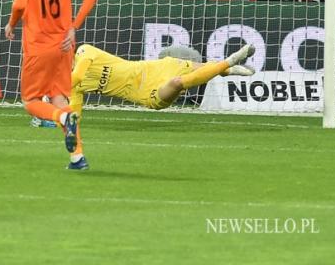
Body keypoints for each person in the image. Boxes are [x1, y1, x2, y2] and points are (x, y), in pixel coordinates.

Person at [69, 43, 256, 170]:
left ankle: (227, 70)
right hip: (145, 93)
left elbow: (77, 75)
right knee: (176, 83)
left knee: (197, 66)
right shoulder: (74, 89)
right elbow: (74, 120)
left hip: (150, 68)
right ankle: (230, 61)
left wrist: (57, 85)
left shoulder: (84, 52)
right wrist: (77, 154)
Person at [4, 0, 98, 163]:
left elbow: (19, 5)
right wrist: (73, 27)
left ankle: (62, 118)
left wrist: (12, 24)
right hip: (64, 46)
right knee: (59, 98)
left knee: (31, 101)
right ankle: (78, 156)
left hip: (38, 45)